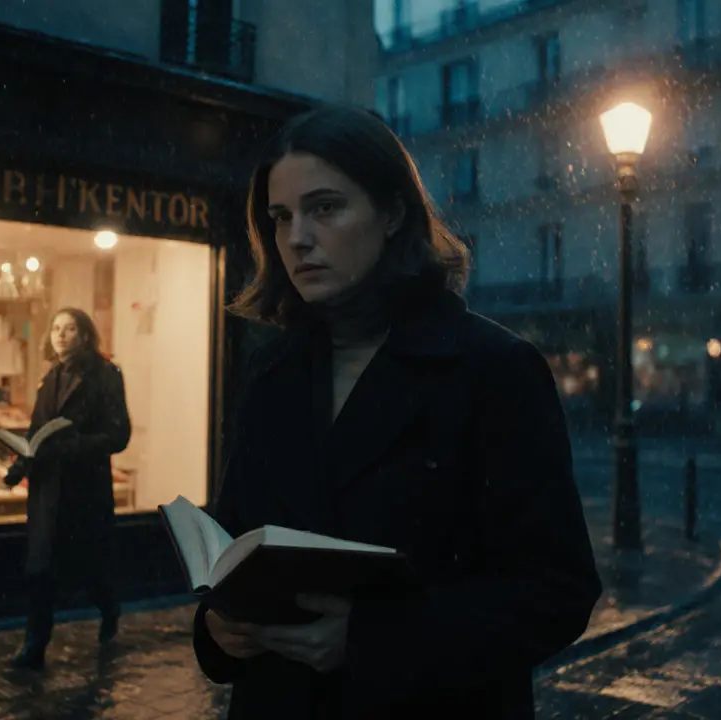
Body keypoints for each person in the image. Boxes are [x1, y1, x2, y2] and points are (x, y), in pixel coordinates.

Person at [191, 104, 601, 717]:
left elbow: (557, 590)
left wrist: (372, 639)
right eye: (281, 217)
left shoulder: (492, 369)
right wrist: (217, 627)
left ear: (392, 214)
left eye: (325, 208)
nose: (297, 238)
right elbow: (236, 545)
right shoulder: (273, 372)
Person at [3, 307, 131, 670]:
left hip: (84, 488)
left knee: (92, 565)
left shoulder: (106, 375)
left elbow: (118, 435)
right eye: (56, 328)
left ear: (85, 334)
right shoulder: (50, 377)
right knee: (40, 567)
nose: (61, 334)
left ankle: (109, 610)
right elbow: (36, 432)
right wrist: (19, 465)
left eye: (70, 328)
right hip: (48, 489)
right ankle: (35, 644)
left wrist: (73, 446)